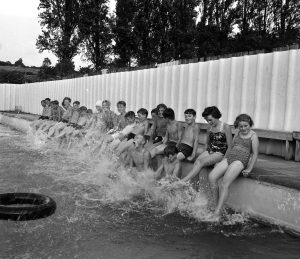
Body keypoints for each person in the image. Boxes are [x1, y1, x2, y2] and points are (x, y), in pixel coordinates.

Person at [208, 114, 259, 221]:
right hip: (230, 157)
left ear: (250, 125)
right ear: (238, 126)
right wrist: (223, 160)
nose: (244, 128)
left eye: (246, 126)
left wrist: (249, 168)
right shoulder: (238, 133)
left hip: (240, 160)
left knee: (224, 183)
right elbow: (231, 147)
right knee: (212, 176)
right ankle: (215, 204)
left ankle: (217, 212)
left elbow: (254, 154)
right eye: (241, 126)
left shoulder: (253, 136)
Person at [181, 106, 232, 182]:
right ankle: (194, 190)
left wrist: (223, 161)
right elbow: (207, 143)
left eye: (210, 120)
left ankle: (184, 180)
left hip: (220, 153)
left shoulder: (225, 127)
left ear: (216, 116)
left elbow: (230, 146)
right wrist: (204, 153)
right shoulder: (209, 127)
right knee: (196, 163)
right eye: (207, 120)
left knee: (200, 162)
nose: (209, 122)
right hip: (210, 151)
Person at [173, 109, 199, 177]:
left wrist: (193, 155)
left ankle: (173, 179)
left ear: (194, 117)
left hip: (187, 148)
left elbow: (196, 141)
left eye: (189, 116)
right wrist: (177, 146)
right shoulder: (186, 125)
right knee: (168, 157)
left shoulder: (196, 126)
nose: (187, 118)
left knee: (175, 159)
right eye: (185, 116)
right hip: (181, 146)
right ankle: (176, 178)